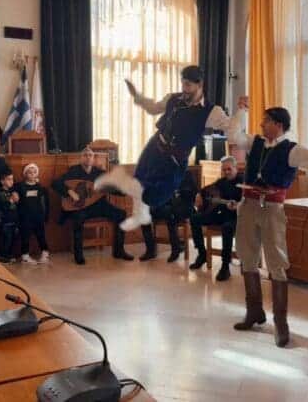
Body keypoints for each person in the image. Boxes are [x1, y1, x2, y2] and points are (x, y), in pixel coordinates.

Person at [233, 99, 308, 347]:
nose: (261, 124)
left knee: (276, 264)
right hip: (248, 206)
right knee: (247, 259)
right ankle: (254, 312)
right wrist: (241, 110)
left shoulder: (292, 150)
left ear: (279, 125)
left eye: (266, 121)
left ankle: (281, 324)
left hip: (272, 210)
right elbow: (233, 134)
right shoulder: (255, 142)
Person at [95, 65, 239, 231]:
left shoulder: (211, 111)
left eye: (188, 85)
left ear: (199, 84)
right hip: (155, 147)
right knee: (140, 181)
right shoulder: (173, 98)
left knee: (156, 197)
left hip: (175, 160)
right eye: (182, 83)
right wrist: (138, 96)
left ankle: (124, 187)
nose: (184, 88)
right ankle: (136, 207)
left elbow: (231, 129)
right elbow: (153, 108)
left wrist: (242, 111)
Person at [52, 147, 133, 265]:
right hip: (81, 207)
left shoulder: (99, 173)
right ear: (81, 158)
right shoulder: (74, 171)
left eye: (90, 155)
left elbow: (112, 189)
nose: (88, 157)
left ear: (93, 158)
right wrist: (70, 192)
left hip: (99, 205)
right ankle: (78, 255)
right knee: (78, 218)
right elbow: (55, 183)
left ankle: (119, 251)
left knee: (121, 214)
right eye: (85, 155)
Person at [189, 155, 243, 281]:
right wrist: (199, 194)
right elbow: (206, 190)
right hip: (222, 214)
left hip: (238, 218)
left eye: (229, 169)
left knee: (227, 228)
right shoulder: (222, 182)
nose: (226, 172)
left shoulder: (243, 182)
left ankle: (225, 266)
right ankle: (202, 254)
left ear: (236, 168)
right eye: (224, 170)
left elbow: (249, 202)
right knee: (195, 218)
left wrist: (238, 206)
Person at [140, 170, 197, 263]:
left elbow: (190, 195)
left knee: (171, 215)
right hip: (167, 206)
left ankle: (176, 248)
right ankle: (150, 250)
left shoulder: (186, 174)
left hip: (184, 207)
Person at [15, 163, 50, 264]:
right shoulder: (19, 186)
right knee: (25, 236)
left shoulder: (41, 188)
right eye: (29, 172)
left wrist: (45, 216)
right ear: (25, 174)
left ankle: (45, 253)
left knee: (41, 235)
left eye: (34, 172)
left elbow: (45, 204)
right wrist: (14, 193)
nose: (32, 174)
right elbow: (11, 190)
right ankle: (25, 256)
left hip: (38, 217)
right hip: (25, 217)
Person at [0, 169, 20, 263]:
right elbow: (2, 207)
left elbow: (16, 206)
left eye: (12, 179)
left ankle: (10, 255)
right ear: (2, 181)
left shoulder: (11, 191)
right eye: (8, 179)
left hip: (13, 220)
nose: (11, 181)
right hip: (4, 222)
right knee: (5, 240)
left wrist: (16, 200)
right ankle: (3, 256)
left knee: (13, 239)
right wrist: (11, 200)